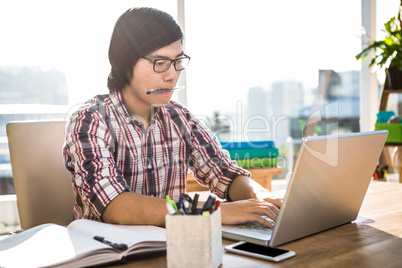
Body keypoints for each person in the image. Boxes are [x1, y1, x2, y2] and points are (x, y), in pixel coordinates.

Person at [63, 7, 282, 228]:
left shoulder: (179, 117)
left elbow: (224, 172)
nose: (172, 75)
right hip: (107, 253)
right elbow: (115, 206)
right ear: (125, 61)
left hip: (169, 247)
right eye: (160, 63)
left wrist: (261, 197)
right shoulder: (90, 120)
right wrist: (213, 212)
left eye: (178, 61)